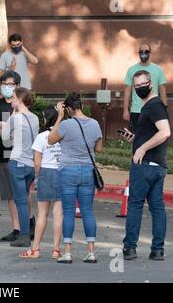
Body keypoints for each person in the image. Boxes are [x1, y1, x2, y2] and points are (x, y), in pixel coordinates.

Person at [120, 70, 171, 261]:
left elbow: (165, 132)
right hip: (158, 166)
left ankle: (130, 247)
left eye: (143, 85)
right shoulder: (152, 107)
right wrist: (135, 140)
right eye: (137, 86)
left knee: (135, 205)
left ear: (151, 83)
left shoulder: (155, 105)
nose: (140, 88)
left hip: (145, 166)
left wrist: (141, 149)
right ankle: (157, 250)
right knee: (157, 207)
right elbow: (153, 133)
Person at [48, 92, 103, 264]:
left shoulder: (66, 125)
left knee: (69, 212)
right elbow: (99, 149)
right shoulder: (95, 124)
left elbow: (50, 139)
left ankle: (67, 253)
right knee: (87, 211)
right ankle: (91, 252)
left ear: (69, 108)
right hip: (87, 171)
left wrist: (59, 117)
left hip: (68, 172)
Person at [20, 106, 63, 259]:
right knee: (59, 214)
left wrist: (37, 178)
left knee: (42, 214)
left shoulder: (42, 137)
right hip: (61, 173)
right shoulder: (64, 135)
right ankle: (56, 250)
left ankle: (35, 249)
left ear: (46, 119)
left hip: (45, 172)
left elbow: (37, 163)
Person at [2, 88, 39, 247]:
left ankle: (24, 235)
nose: (12, 99)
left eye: (14, 97)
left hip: (17, 162)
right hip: (30, 164)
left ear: (20, 100)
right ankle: (29, 230)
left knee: (21, 201)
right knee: (24, 197)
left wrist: (11, 115)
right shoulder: (35, 118)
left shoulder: (15, 118)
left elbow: (4, 138)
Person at [0, 71, 20, 242]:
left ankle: (27, 223)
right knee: (9, 195)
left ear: (17, 86)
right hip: (2, 155)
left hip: (19, 155)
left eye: (10, 84)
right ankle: (17, 228)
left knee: (21, 194)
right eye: (3, 83)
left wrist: (5, 126)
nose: (6, 87)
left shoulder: (21, 105)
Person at [123, 43, 168, 131]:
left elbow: (162, 91)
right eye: (141, 51)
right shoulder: (131, 70)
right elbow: (127, 91)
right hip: (136, 110)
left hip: (154, 109)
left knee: (153, 136)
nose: (143, 53)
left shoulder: (158, 69)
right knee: (135, 138)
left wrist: (165, 109)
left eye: (146, 51)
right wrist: (125, 110)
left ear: (150, 53)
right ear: (138, 53)